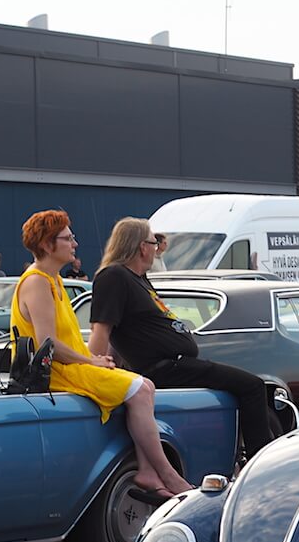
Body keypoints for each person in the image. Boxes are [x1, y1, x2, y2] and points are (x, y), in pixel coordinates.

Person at [13, 210, 192, 501]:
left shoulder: (54, 281)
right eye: (68, 238)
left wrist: (94, 360)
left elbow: (63, 340)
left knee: (144, 385)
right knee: (139, 388)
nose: (75, 243)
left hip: (70, 366)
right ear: (47, 245)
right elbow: (48, 345)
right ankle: (167, 474)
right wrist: (91, 360)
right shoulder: (37, 282)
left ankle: (148, 470)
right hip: (59, 372)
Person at [89, 217, 274, 460]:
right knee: (252, 386)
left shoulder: (139, 279)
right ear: (140, 246)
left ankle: (236, 456)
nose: (157, 248)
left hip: (176, 362)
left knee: (241, 388)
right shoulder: (114, 276)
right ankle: (260, 460)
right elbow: (103, 330)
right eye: (153, 242)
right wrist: (94, 368)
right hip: (165, 367)